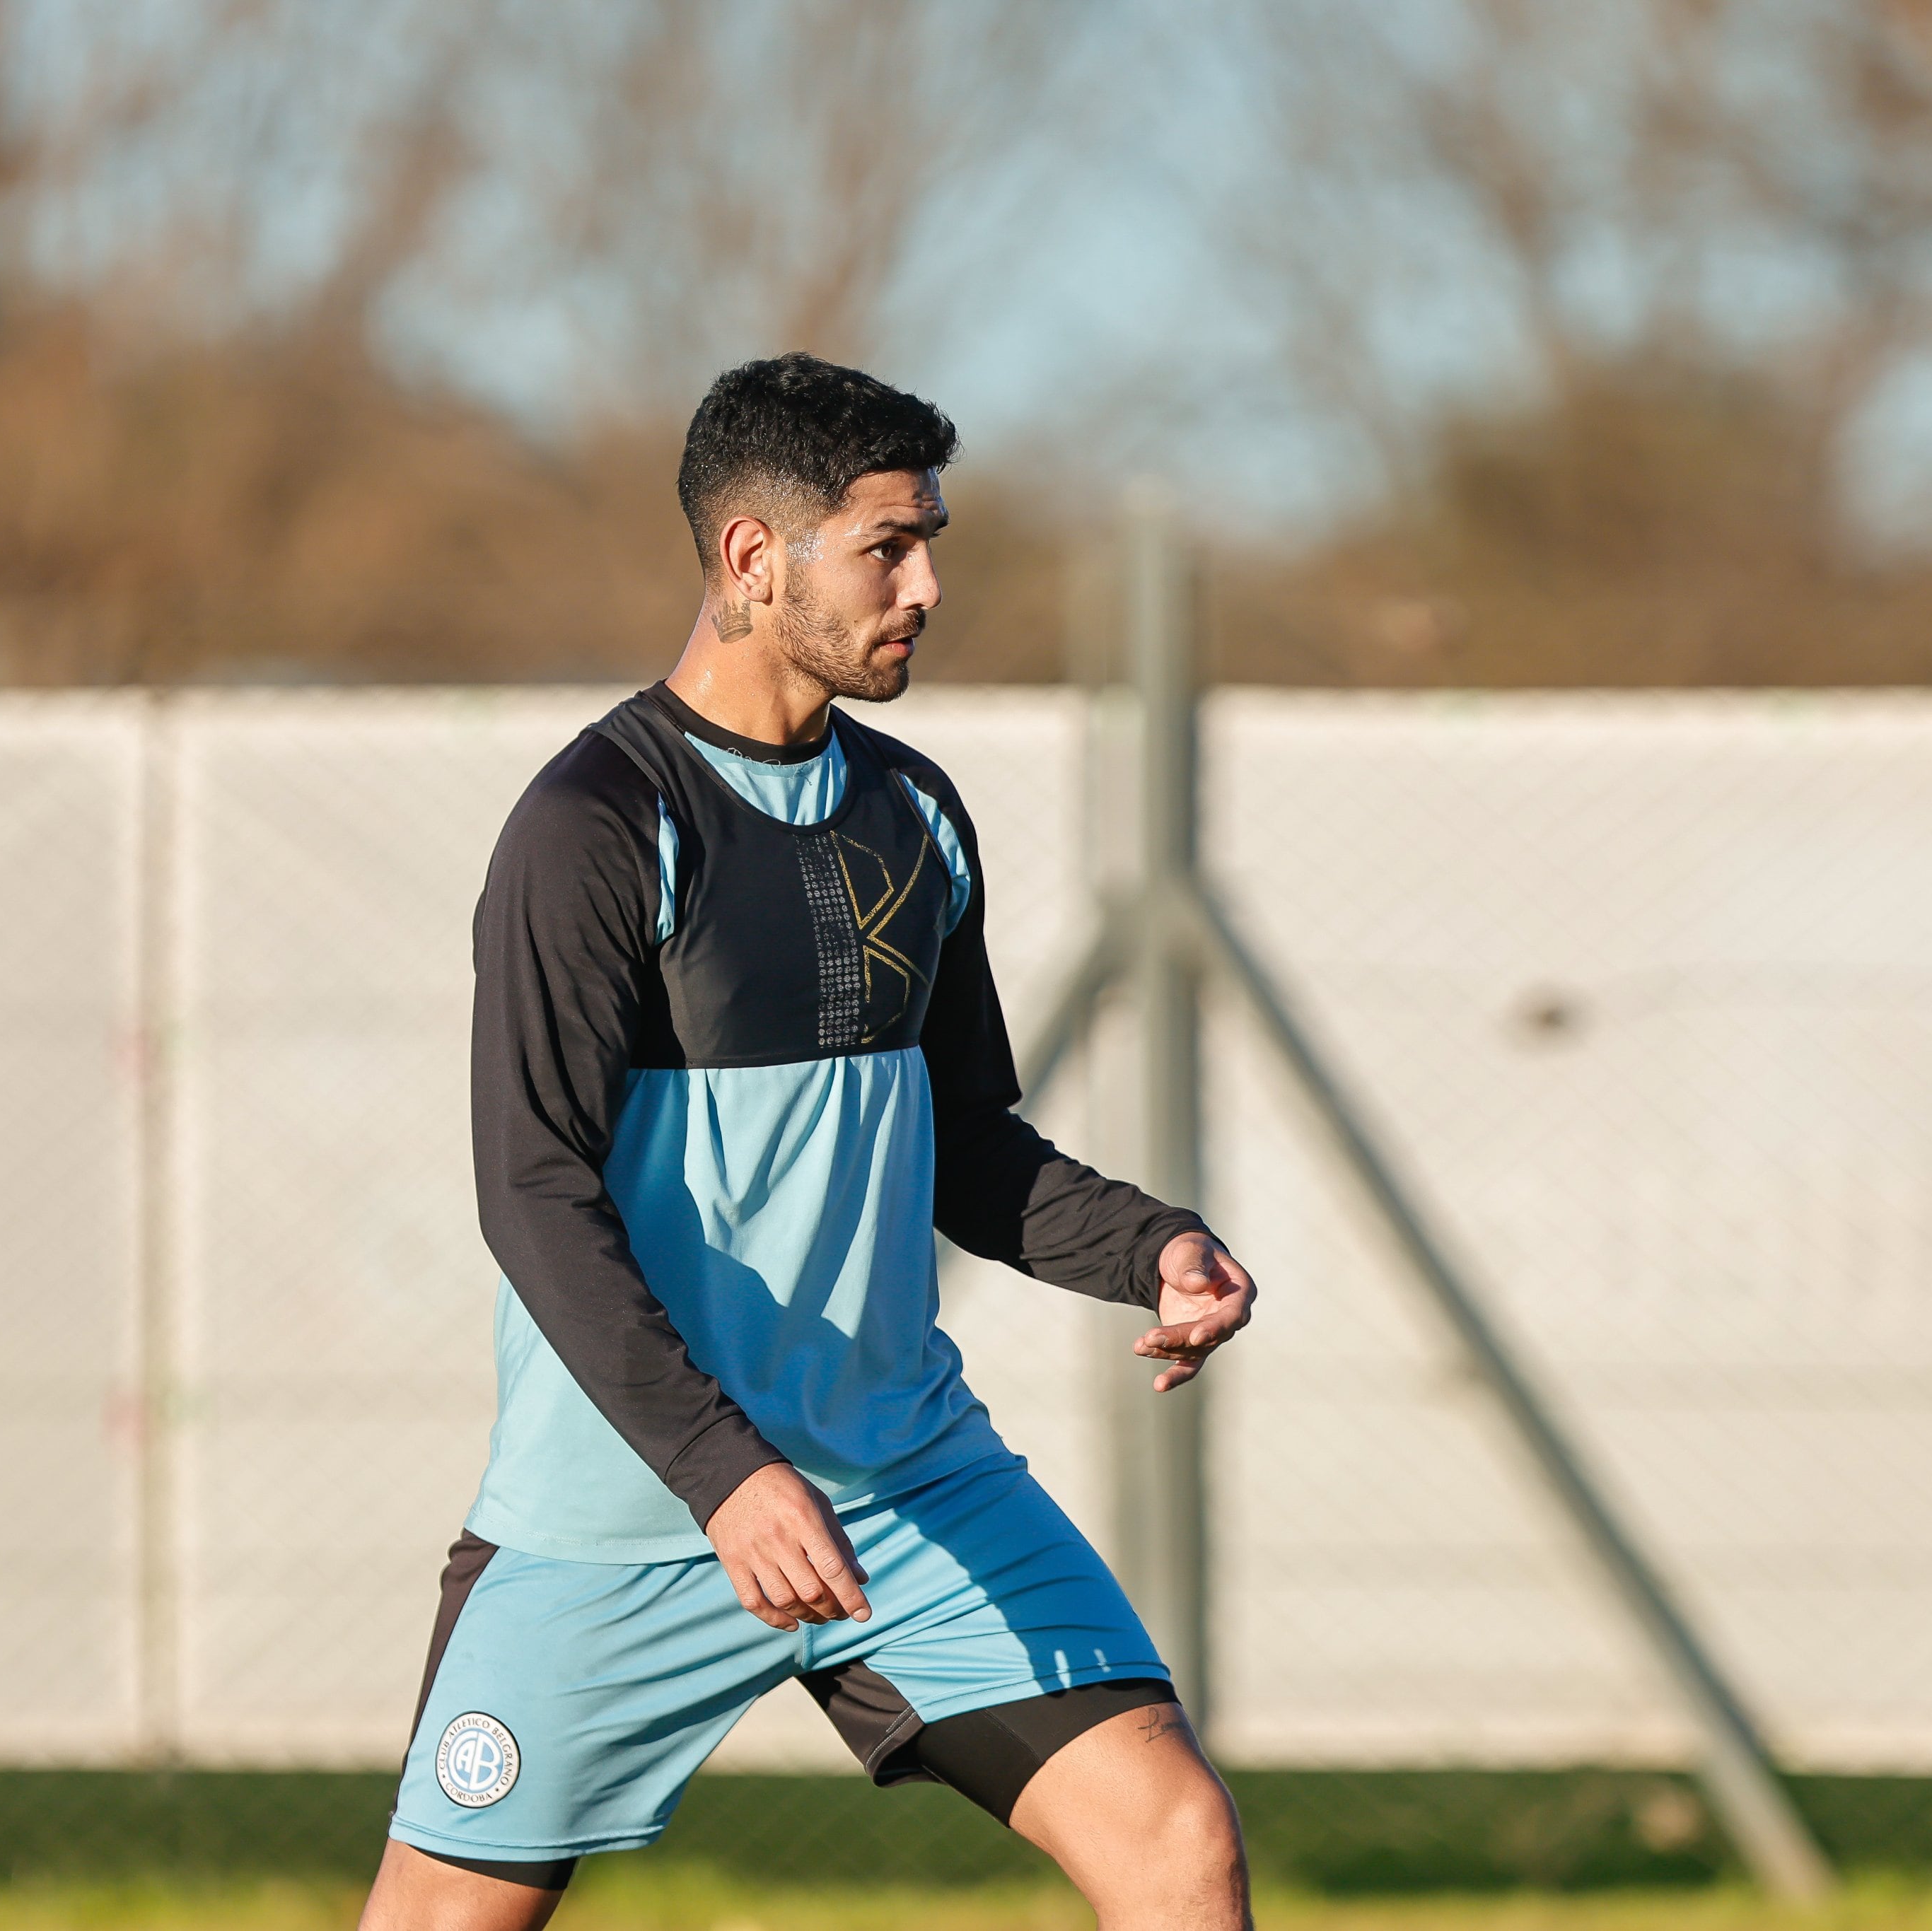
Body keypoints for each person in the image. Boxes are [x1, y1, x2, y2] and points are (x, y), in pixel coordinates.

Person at [358, 352, 1261, 1931]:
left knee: (1176, 1843)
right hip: (631, 1511)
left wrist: (1147, 1247)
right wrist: (722, 1474)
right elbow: (533, 1194)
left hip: (905, 1477)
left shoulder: (914, 816)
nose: (924, 583)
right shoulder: (592, 823)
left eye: (931, 541)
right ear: (752, 561)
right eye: (885, 546)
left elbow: (965, 1144)